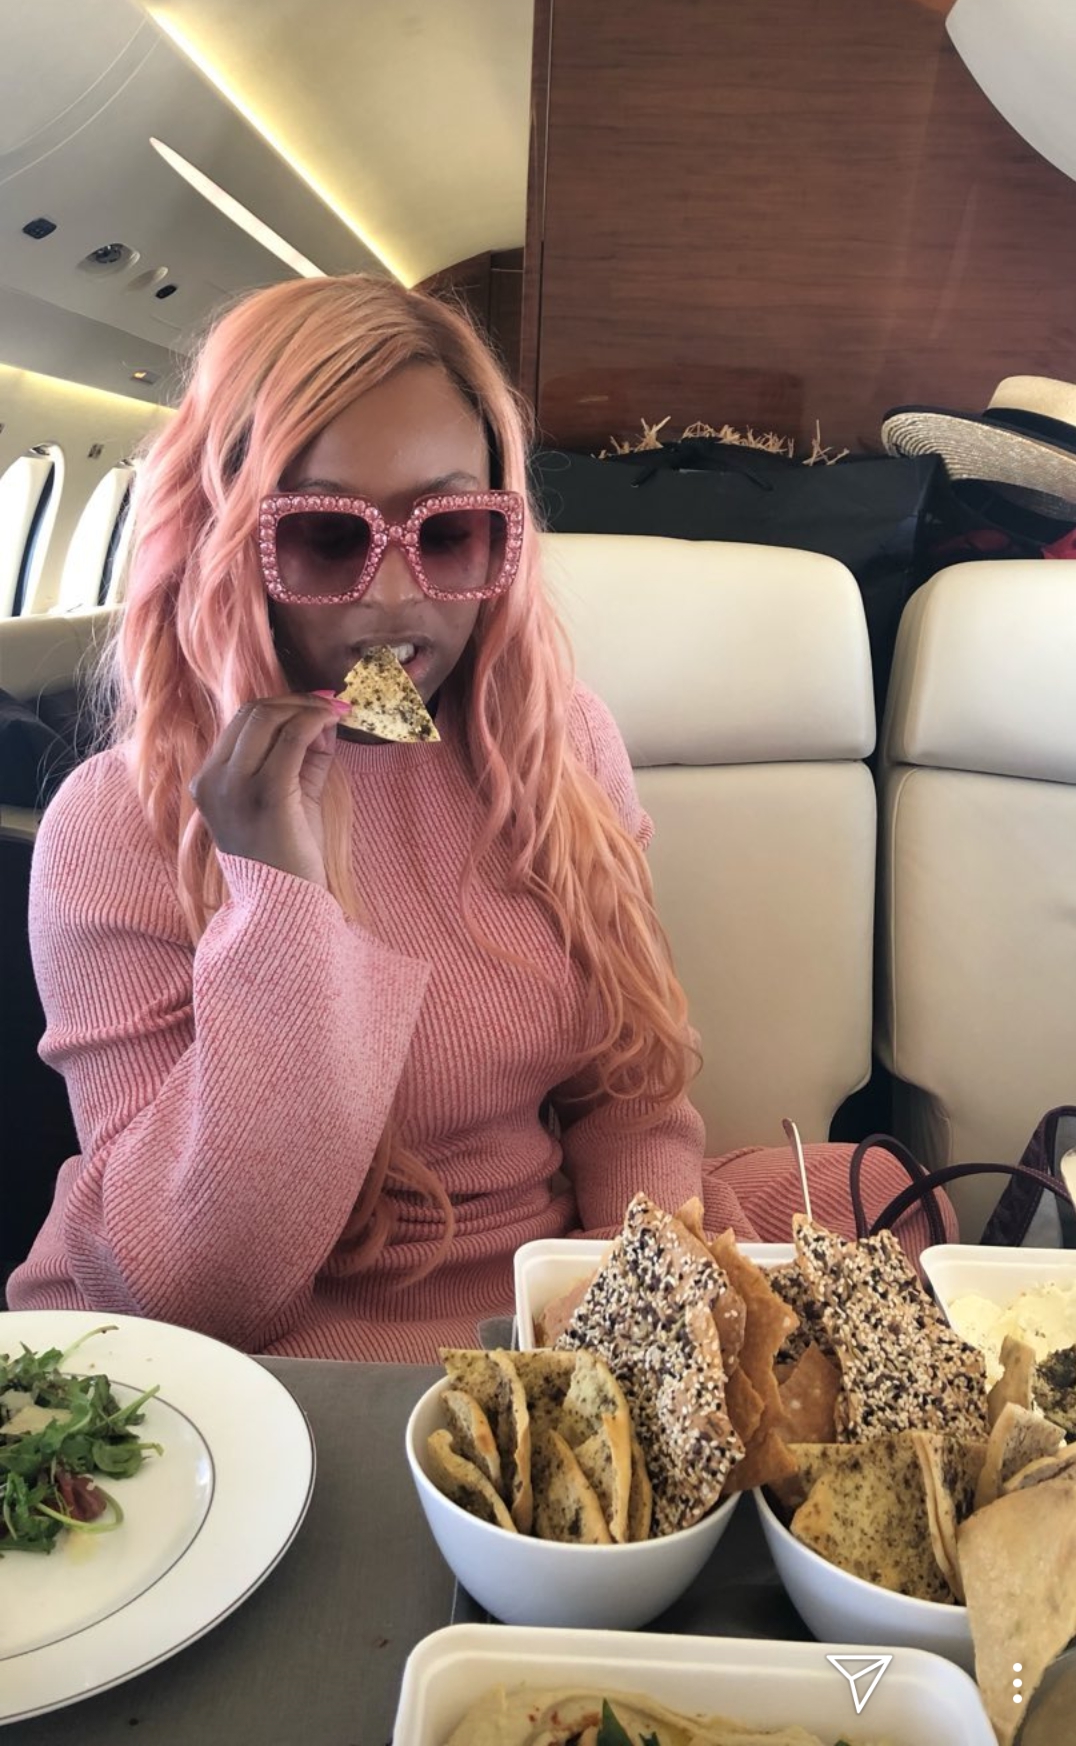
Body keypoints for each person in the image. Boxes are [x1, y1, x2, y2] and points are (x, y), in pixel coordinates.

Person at [5, 276, 951, 1359]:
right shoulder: (114, 824)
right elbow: (201, 1292)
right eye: (324, 538)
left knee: (891, 1201)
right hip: (283, 1335)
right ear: (225, 546)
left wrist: (633, 1317)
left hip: (545, 1276)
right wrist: (277, 902)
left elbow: (630, 1099)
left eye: (448, 531)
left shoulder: (560, 747)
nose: (393, 596)